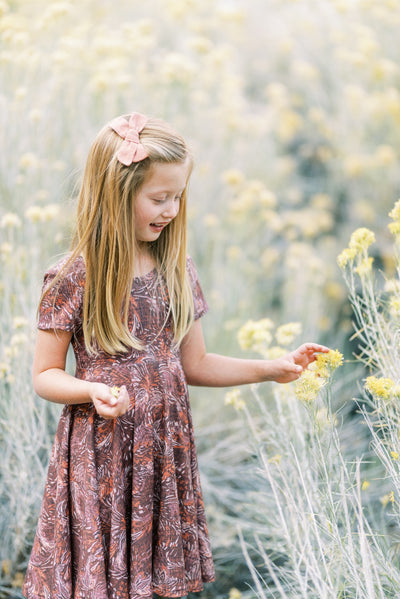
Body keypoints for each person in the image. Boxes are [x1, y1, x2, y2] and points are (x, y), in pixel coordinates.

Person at [23, 112, 329, 599]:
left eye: (178, 196)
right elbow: (44, 375)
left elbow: (196, 364)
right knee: (103, 576)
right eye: (158, 197)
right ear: (116, 194)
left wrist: (273, 368)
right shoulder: (73, 276)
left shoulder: (176, 267)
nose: (171, 209)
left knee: (153, 578)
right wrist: (91, 389)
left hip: (163, 449)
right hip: (103, 448)